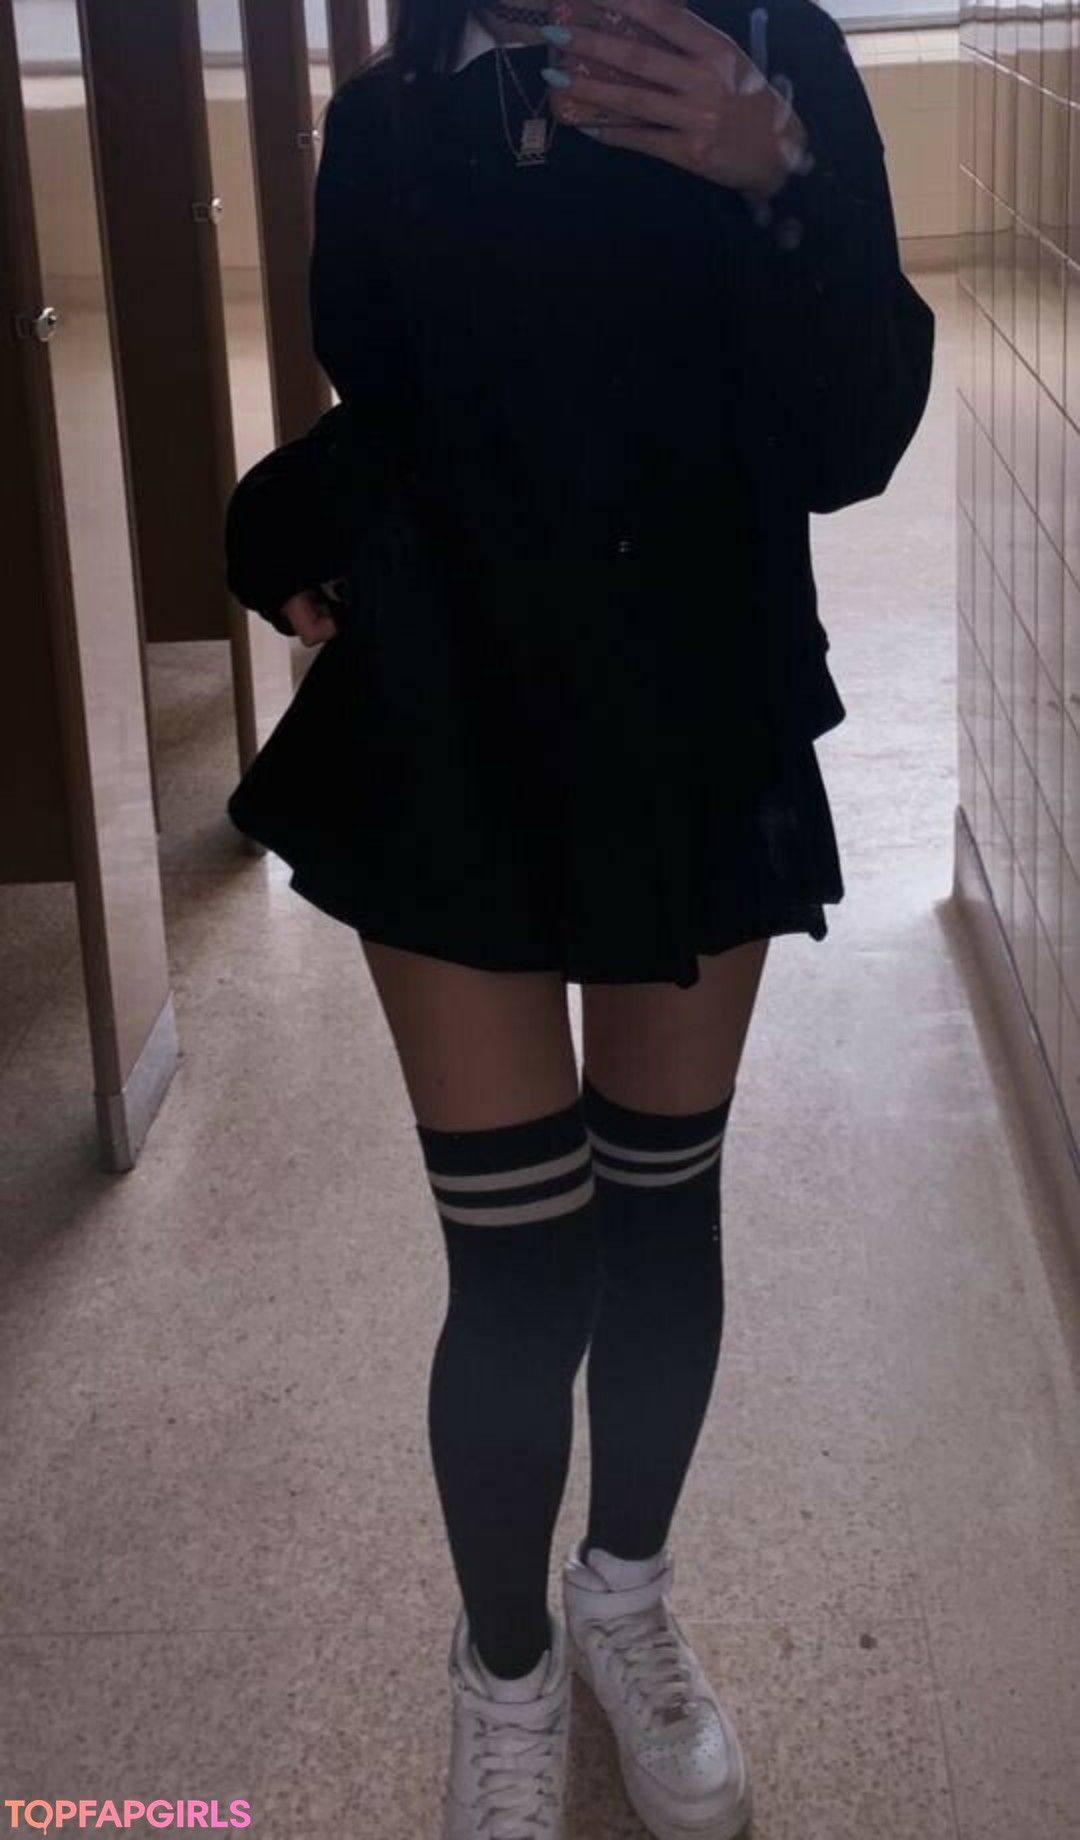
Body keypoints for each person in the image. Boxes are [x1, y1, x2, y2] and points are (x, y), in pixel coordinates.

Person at [224, 1, 935, 1834]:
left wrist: (778, 175)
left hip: (696, 725)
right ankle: (505, 1666)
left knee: (659, 1219)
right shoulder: (390, 120)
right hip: (445, 735)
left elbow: (853, 433)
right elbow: (393, 419)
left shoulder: (774, 58)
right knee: (522, 1272)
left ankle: (625, 1599)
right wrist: (281, 538)